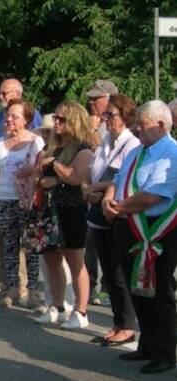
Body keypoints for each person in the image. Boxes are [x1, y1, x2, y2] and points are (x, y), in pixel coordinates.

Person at [103, 100, 177, 374]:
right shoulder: (139, 151)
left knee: (158, 291)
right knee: (138, 288)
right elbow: (118, 180)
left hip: (155, 229)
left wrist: (117, 209)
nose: (136, 129)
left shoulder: (171, 153)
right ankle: (147, 344)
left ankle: (164, 351)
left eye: (141, 125)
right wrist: (109, 202)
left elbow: (153, 195)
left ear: (160, 125)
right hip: (127, 224)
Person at [83, 94, 140, 346]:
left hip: (116, 214)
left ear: (125, 118)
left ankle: (127, 325)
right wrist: (88, 188)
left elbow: (122, 178)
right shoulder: (106, 140)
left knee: (118, 273)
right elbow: (92, 170)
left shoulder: (131, 144)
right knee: (108, 269)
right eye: (106, 115)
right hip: (97, 212)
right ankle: (118, 323)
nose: (106, 120)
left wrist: (97, 186)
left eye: (111, 115)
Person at [35, 101, 95, 329]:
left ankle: (80, 311)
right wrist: (44, 177)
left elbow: (75, 177)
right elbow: (36, 173)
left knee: (75, 261)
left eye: (62, 119)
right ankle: (57, 306)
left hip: (73, 210)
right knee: (51, 258)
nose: (56, 123)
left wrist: (56, 166)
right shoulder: (53, 146)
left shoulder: (84, 148)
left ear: (74, 122)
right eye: (56, 118)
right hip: (50, 209)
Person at [0, 99, 43, 307]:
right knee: (8, 245)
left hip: (27, 200)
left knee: (31, 246)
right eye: (8, 115)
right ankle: (12, 288)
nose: (8, 119)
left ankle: (34, 290)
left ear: (26, 120)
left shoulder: (36, 142)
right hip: (4, 197)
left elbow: (42, 170)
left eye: (14, 116)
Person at [85, 79, 119, 304]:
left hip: (111, 193)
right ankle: (90, 286)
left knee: (111, 246)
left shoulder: (115, 124)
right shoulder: (90, 121)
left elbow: (102, 153)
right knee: (90, 244)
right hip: (91, 190)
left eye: (95, 98)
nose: (91, 102)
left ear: (108, 99)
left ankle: (109, 288)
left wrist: (95, 129)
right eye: (90, 98)